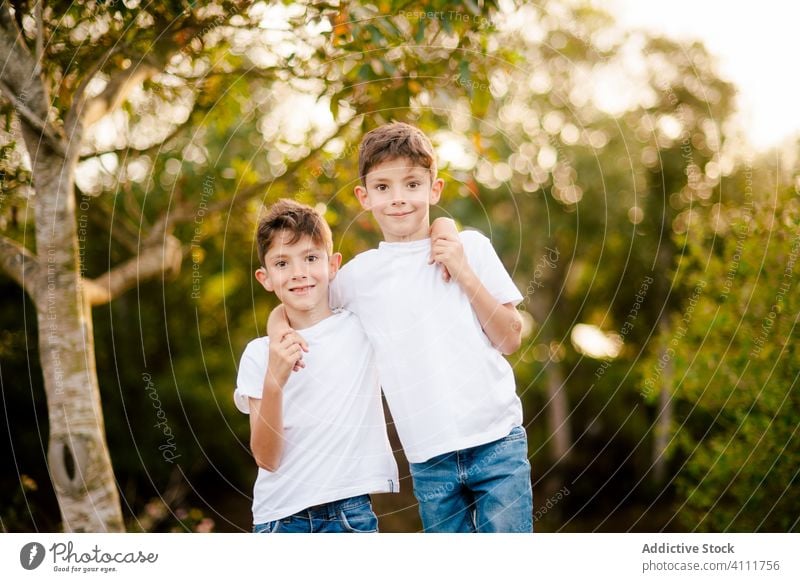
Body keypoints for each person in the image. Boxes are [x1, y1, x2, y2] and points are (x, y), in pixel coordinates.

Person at [277, 122, 533, 532]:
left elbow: (510, 337)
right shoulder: (359, 278)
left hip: (496, 442)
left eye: (412, 184)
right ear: (364, 197)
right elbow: (299, 301)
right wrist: (277, 331)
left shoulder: (471, 247)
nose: (398, 199)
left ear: (434, 189)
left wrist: (463, 271)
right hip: (428, 458)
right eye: (383, 187)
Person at [234, 199, 398, 533]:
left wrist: (442, 227)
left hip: (351, 513)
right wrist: (274, 382)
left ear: (333, 264)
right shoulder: (259, 354)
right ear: (265, 278)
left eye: (311, 258)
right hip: (280, 519)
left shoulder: (362, 326)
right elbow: (267, 458)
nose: (298, 273)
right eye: (282, 263)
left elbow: (403, 262)